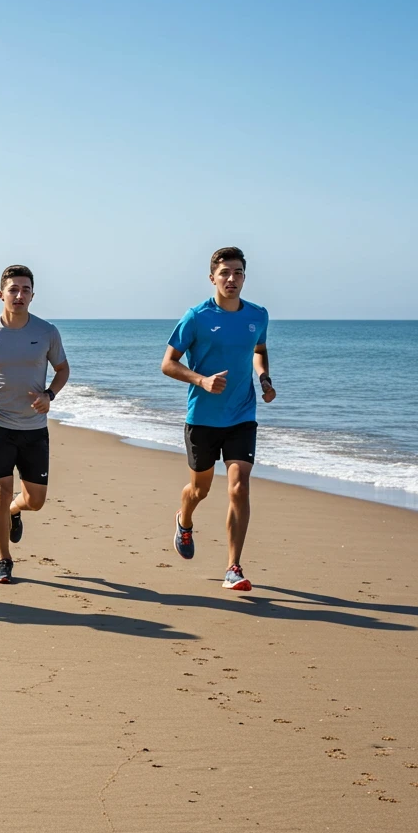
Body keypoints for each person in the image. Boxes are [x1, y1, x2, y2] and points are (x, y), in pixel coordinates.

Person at [161, 246, 275, 591]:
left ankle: (233, 567)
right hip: (203, 418)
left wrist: (265, 379)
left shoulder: (258, 315)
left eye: (238, 272)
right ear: (212, 278)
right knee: (200, 489)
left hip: (242, 414)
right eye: (225, 273)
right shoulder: (196, 317)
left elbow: (259, 350)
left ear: (244, 277)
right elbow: (168, 363)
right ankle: (184, 520)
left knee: (239, 487)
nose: (231, 279)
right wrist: (202, 380)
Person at [0, 264, 69, 583]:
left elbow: (62, 370)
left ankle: (15, 512)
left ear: (33, 295)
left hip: (34, 428)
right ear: (1, 294)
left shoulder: (46, 331)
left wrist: (49, 395)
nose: (19, 295)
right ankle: (4, 559)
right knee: (0, 492)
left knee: (35, 500)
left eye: (25, 290)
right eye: (13, 289)